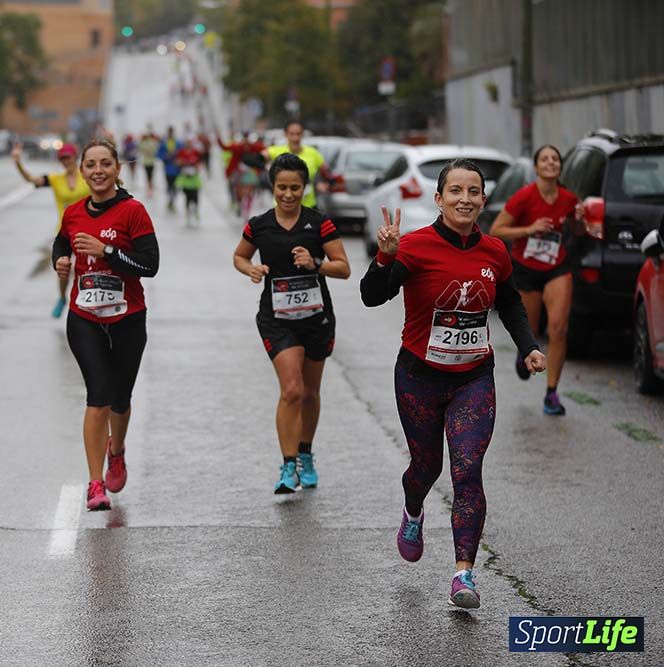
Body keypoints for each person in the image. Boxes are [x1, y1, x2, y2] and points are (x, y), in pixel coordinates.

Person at [360, 159, 547, 609]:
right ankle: (413, 510)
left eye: (474, 191)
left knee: (467, 471)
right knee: (426, 469)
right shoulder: (417, 246)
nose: (465, 199)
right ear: (439, 198)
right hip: (418, 377)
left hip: (473, 379)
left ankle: (464, 574)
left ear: (484, 199)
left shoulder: (495, 252)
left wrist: (528, 347)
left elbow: (511, 305)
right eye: (456, 191)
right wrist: (385, 255)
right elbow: (372, 295)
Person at [51, 139, 160, 511]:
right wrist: (62, 262)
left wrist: (107, 251)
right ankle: (95, 483)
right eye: (91, 165)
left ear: (117, 169)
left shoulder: (133, 211)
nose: (98, 171)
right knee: (97, 397)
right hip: (85, 318)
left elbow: (150, 265)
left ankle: (118, 449)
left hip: (128, 318)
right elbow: (60, 243)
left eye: (105, 164)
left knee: (120, 399)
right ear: (81, 171)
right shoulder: (73, 213)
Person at [233, 153, 351, 495]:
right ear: (272, 187)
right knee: (292, 389)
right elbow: (239, 255)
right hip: (277, 319)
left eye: (295, 188)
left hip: (316, 318)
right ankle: (288, 466)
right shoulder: (259, 225)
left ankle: (305, 454)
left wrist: (315, 262)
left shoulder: (319, 223)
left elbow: (343, 267)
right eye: (282, 187)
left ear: (304, 188)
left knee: (311, 393)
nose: (288, 194)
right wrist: (251, 269)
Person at [489, 144, 584, 416]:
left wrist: (578, 221)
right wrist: (529, 229)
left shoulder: (568, 198)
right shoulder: (524, 197)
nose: (551, 162)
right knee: (529, 329)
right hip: (526, 268)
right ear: (537, 167)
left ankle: (551, 393)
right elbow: (497, 230)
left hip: (557, 266)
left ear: (559, 167)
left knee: (559, 328)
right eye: (545, 159)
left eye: (555, 159)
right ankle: (524, 351)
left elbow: (579, 231)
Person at [12, 141, 90, 318]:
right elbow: (31, 179)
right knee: (63, 268)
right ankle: (62, 298)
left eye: (68, 157)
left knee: (86, 268)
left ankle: (85, 303)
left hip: (88, 230)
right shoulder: (56, 179)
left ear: (75, 157)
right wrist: (18, 163)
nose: (65, 161)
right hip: (65, 231)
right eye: (62, 158)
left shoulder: (86, 175)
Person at [264, 121, 332, 210]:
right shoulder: (275, 151)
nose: (295, 138)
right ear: (286, 134)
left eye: (298, 134)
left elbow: (327, 173)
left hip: (308, 206)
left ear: (302, 134)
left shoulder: (313, 153)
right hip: (282, 206)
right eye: (292, 134)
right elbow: (254, 159)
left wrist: (322, 184)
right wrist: (267, 169)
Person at [217, 131, 267, 215]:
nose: (246, 141)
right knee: (236, 187)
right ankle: (238, 203)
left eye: (247, 138)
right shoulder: (238, 147)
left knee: (253, 187)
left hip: (250, 172)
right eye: (244, 138)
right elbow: (225, 147)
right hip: (239, 172)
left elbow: (265, 149)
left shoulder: (253, 146)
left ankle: (248, 204)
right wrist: (218, 138)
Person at [174, 138, 203, 225]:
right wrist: (182, 163)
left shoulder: (196, 152)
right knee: (187, 197)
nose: (188, 144)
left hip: (194, 178)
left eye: (190, 142)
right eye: (187, 142)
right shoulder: (181, 152)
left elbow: (200, 163)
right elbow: (177, 162)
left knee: (195, 196)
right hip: (185, 179)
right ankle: (187, 215)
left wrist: (196, 167)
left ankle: (196, 210)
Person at [156, 126, 182, 212]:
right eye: (169, 131)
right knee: (169, 186)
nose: (170, 133)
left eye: (171, 131)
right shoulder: (164, 143)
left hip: (177, 169)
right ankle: (170, 200)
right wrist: (165, 157)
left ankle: (172, 201)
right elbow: (158, 155)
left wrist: (179, 160)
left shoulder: (178, 143)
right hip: (167, 169)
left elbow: (183, 153)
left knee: (175, 186)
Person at [138, 129, 160, 197]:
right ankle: (150, 188)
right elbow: (155, 150)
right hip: (150, 162)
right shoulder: (152, 142)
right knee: (150, 176)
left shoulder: (143, 143)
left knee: (148, 176)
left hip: (147, 162)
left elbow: (141, 150)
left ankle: (149, 188)